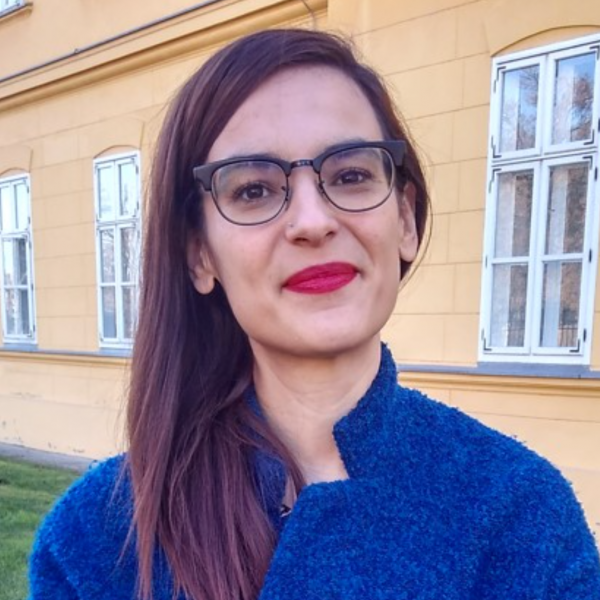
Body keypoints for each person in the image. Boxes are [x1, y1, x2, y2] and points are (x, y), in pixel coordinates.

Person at [29, 28, 600, 600]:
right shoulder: (94, 541)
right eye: (253, 189)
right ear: (200, 253)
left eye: (350, 176)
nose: (312, 220)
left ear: (404, 220)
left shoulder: (526, 520)